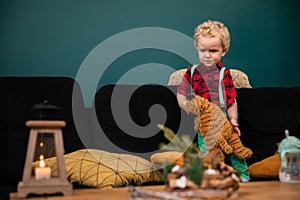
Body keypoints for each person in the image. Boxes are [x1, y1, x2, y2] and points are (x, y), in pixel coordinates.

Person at [177, 20, 250, 182]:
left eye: (213, 50)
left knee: (234, 148)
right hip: (204, 120)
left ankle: (242, 176)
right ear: (197, 49)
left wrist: (233, 119)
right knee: (208, 150)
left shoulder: (225, 73)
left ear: (223, 51)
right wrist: (186, 106)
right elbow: (181, 93)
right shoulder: (192, 72)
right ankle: (215, 177)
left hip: (224, 118)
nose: (207, 55)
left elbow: (231, 100)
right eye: (202, 50)